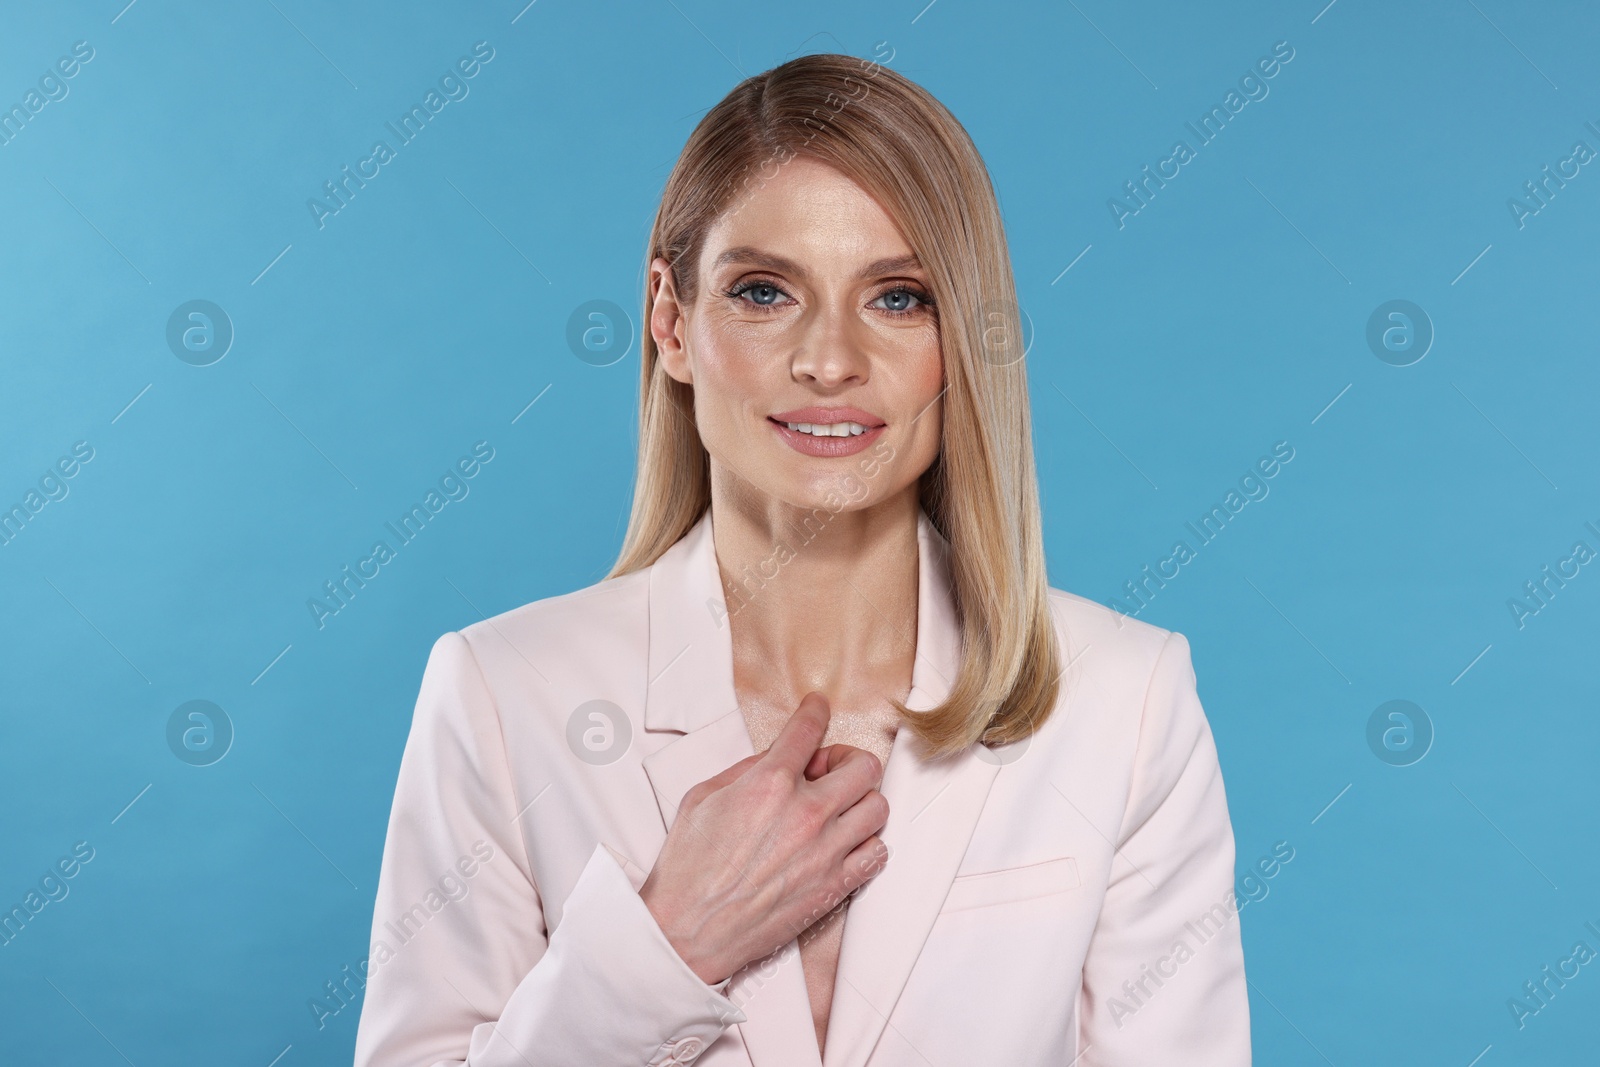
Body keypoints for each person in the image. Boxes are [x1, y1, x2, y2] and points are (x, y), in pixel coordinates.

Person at [353, 51, 1250, 1067]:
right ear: (670, 321)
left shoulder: (1126, 700)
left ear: (965, 339)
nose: (830, 360)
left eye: (899, 297)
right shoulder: (500, 692)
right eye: (765, 290)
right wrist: (665, 943)